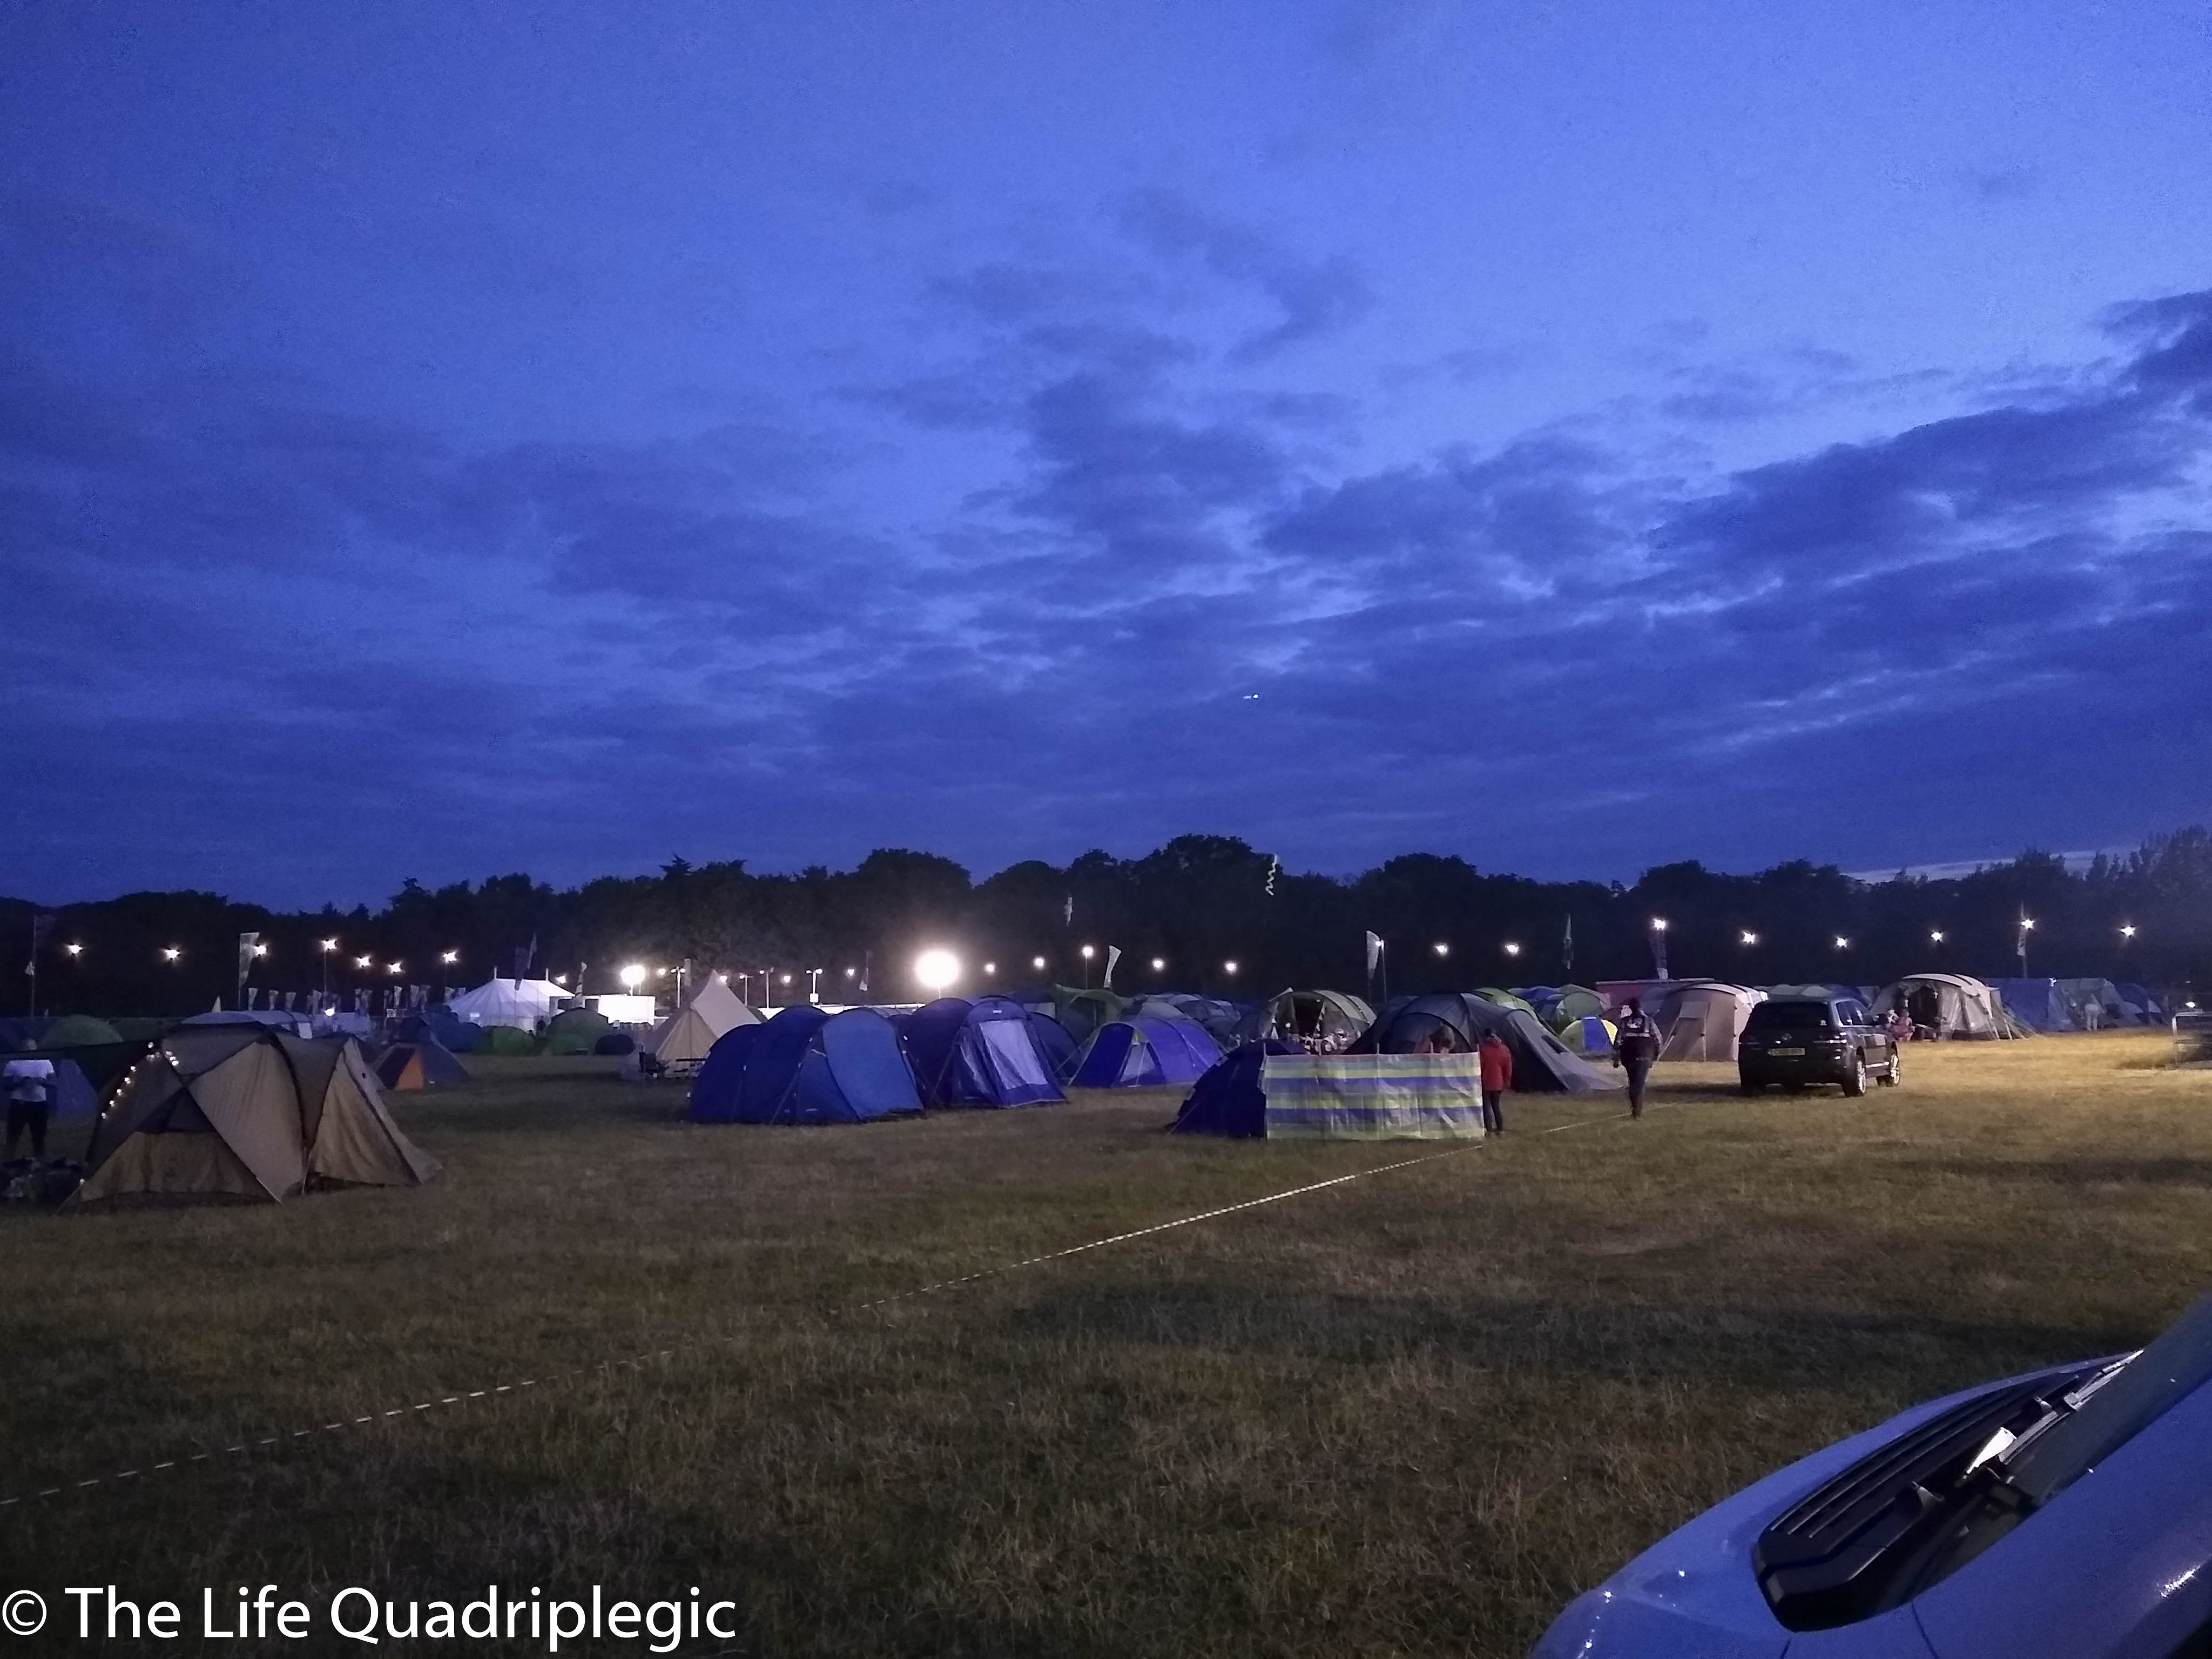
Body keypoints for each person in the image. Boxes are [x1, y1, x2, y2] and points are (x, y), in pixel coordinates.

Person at [1612, 997, 1660, 1119]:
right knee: (1640, 1083)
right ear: (1640, 1007)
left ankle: (1634, 1106)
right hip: (1645, 1053)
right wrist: (1656, 1055)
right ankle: (1637, 1110)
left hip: (1628, 1055)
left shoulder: (1624, 1022)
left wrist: (1616, 1058)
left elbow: (1618, 1041)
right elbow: (1658, 1039)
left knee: (1633, 1081)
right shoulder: (1649, 1021)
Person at [3, 1055, 55, 1161]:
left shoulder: (45, 1062)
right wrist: (19, 1083)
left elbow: (54, 1083)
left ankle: (39, 1166)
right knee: (13, 1138)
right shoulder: (13, 1063)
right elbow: (5, 1085)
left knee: (39, 1139)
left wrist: (42, 1082)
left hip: (39, 1105)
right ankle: (7, 1165)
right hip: (19, 1104)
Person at [1478, 1028, 1513, 1134]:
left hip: (1485, 1081)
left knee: (1486, 1106)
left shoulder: (1483, 1049)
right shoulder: (1505, 1050)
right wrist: (1506, 1082)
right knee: (1496, 1106)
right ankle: (1500, 1128)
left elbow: (1480, 1066)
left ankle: (1489, 1129)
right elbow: (1508, 1068)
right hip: (1499, 1082)